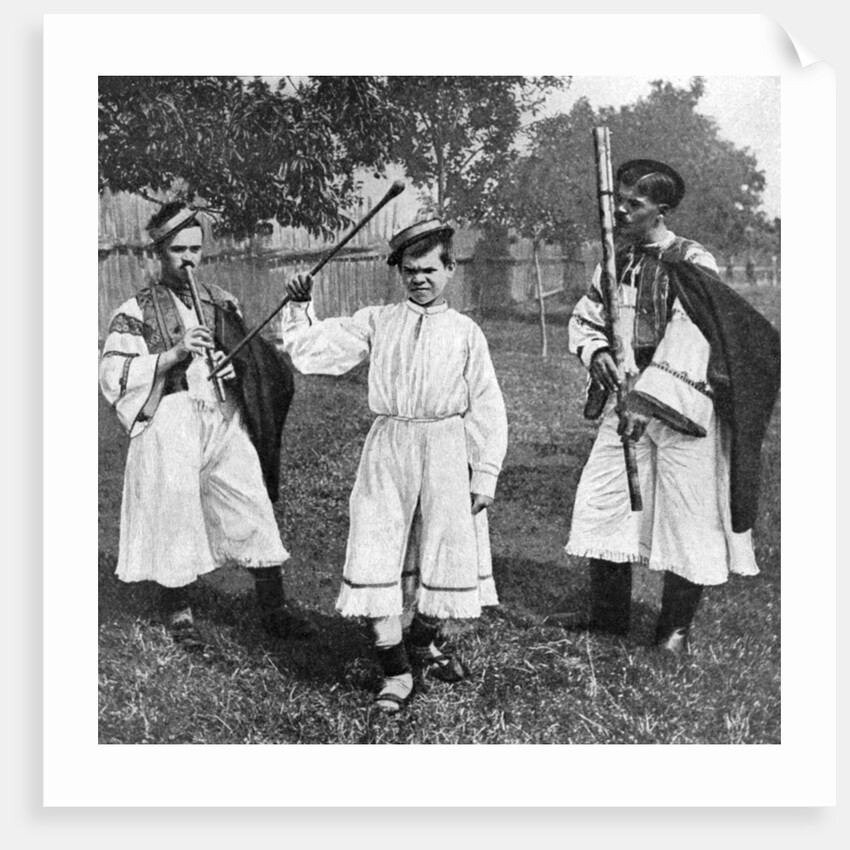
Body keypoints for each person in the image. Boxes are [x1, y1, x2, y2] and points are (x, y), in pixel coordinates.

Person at [280, 219, 508, 712]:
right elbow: (315, 350)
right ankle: (396, 671)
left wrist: (484, 472)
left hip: (447, 449)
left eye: (429, 269)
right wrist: (300, 305)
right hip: (389, 449)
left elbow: (487, 406)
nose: (419, 280)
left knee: (444, 551)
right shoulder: (378, 320)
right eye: (409, 271)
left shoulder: (467, 333)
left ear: (450, 269)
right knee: (376, 547)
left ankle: (423, 641)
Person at [564, 160, 780, 655]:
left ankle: (673, 630)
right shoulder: (614, 257)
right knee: (605, 496)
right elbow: (588, 314)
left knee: (688, 510)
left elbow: (693, 334)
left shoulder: (693, 259)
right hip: (625, 397)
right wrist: (596, 351)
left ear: (661, 210)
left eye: (632, 203)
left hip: (682, 401)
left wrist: (649, 398)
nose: (618, 209)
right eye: (615, 199)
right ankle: (609, 616)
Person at [99, 202, 313, 650]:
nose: (189, 260)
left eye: (196, 249)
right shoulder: (135, 310)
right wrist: (175, 354)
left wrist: (237, 370)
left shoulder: (220, 301)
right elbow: (112, 374)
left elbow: (255, 361)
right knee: (176, 507)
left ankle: (274, 609)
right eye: (178, 250)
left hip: (221, 415)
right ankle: (179, 612)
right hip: (171, 422)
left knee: (249, 497)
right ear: (157, 253)